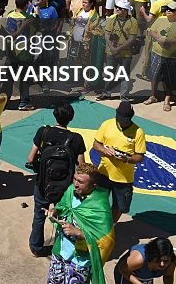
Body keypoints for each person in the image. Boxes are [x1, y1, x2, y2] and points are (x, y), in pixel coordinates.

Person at [26, 102, 88, 257]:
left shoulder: (43, 132)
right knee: (64, 216)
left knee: (39, 215)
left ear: (55, 115)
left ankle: (36, 247)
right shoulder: (76, 139)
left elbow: (30, 158)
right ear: (70, 119)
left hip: (42, 184)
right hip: (64, 188)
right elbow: (81, 166)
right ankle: (63, 246)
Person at [45, 162, 115, 284]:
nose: (76, 184)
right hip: (60, 252)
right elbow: (62, 207)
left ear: (93, 185)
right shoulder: (71, 190)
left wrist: (79, 233)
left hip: (80, 262)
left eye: (81, 182)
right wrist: (54, 211)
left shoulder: (101, 208)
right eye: (75, 179)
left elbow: (106, 241)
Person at [93, 101, 146, 223]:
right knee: (97, 202)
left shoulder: (138, 132)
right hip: (104, 173)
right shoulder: (107, 124)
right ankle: (97, 225)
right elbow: (96, 144)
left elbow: (140, 157)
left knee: (119, 207)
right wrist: (105, 150)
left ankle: (110, 227)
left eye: (125, 120)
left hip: (124, 178)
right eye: (120, 119)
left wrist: (127, 159)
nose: (122, 122)